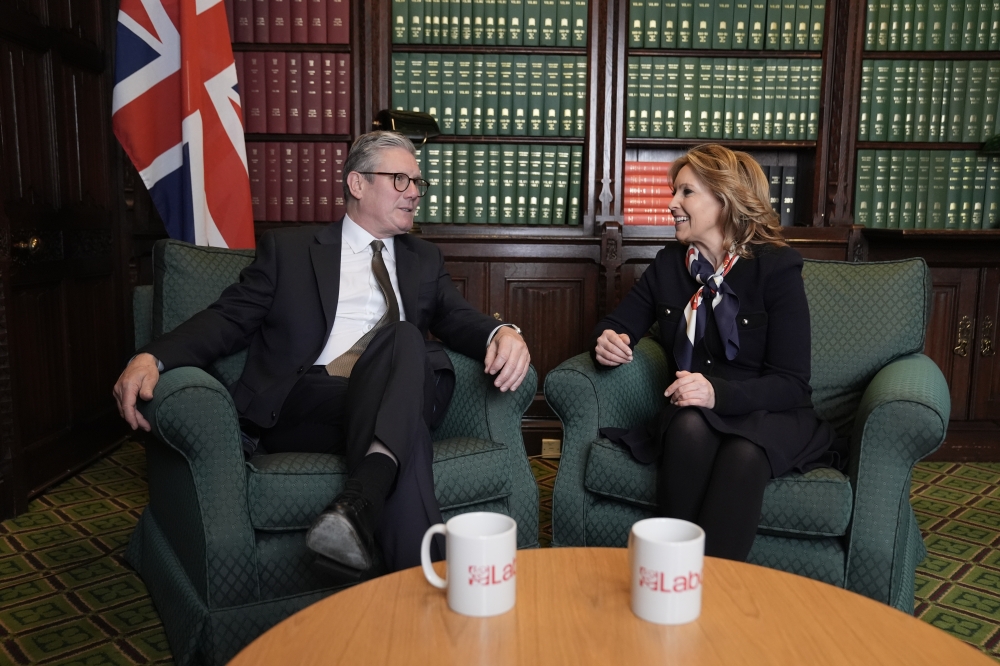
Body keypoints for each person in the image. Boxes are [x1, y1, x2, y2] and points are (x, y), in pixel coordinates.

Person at [113, 131, 530, 576]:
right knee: (407, 423)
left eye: (418, 183)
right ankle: (410, 570)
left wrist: (502, 331)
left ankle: (359, 509)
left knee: (403, 340)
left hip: (397, 388)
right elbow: (226, 319)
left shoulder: (423, 259)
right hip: (311, 401)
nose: (414, 193)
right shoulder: (290, 251)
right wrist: (152, 357)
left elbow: (457, 316)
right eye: (401, 180)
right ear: (357, 183)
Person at [592, 144, 842, 562]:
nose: (672, 203)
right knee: (687, 426)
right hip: (695, 410)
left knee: (743, 453)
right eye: (674, 192)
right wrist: (607, 339)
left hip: (769, 412)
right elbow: (616, 324)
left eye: (686, 192)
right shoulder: (668, 265)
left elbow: (791, 383)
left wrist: (716, 393)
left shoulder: (777, 268)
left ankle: (712, 586)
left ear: (725, 200)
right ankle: (670, 572)